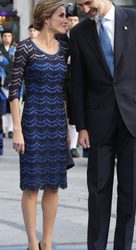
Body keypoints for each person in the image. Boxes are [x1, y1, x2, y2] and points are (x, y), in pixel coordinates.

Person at [70, 0, 136, 249]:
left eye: (87, 3)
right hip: (98, 124)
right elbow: (76, 82)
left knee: (128, 192)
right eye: (80, 5)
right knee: (97, 193)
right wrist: (81, 126)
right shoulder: (79, 32)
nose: (84, 9)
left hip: (135, 121)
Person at [9, 1, 68, 250]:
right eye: (62, 15)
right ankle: (33, 243)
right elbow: (14, 92)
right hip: (32, 122)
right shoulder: (25, 48)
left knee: (53, 186)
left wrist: (67, 127)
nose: (66, 19)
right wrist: (18, 129)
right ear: (46, 18)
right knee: (32, 185)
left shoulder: (64, 49)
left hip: (56, 122)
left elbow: (66, 91)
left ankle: (48, 241)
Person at [57, 2, 80, 158]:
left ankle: (72, 146)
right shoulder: (58, 37)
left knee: (74, 112)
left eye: (74, 20)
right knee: (59, 112)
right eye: (69, 20)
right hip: (60, 78)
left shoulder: (83, 35)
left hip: (75, 80)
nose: (71, 23)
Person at [0, 29, 16, 139]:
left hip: (14, 80)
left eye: (9, 36)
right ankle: (4, 128)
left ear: (12, 37)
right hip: (2, 81)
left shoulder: (15, 49)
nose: (7, 38)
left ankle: (11, 129)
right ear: (1, 38)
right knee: (3, 105)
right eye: (4, 36)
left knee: (13, 106)